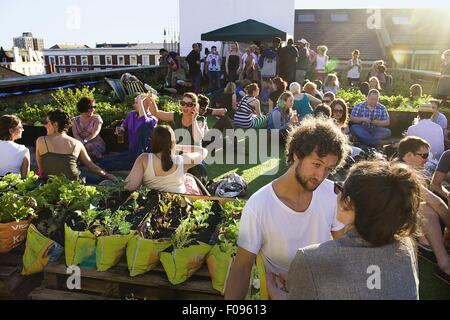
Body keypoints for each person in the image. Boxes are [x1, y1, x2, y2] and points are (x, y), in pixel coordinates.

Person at [224, 117, 348, 300]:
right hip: (276, 292)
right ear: (297, 155)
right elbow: (241, 267)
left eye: (329, 169)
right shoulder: (259, 204)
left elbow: (345, 250)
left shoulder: (332, 194)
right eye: (316, 164)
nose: (321, 176)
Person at [288, 160, 421, 300]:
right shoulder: (405, 246)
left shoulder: (310, 259)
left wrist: (277, 292)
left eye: (340, 188)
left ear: (347, 202)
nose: (337, 194)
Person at [399, 137, 450, 282]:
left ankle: (427, 245)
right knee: (425, 209)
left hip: (396, 222)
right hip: (392, 224)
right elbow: (437, 203)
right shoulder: (403, 173)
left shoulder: (398, 167)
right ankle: (444, 263)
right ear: (409, 156)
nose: (427, 160)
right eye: (424, 155)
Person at [36, 110, 116, 183]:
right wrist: (108, 175)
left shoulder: (41, 141)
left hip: (50, 182)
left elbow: (41, 170)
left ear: (55, 124)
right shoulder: (77, 144)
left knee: (85, 174)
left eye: (47, 122)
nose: (45, 125)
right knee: (94, 177)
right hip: (73, 183)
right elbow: (91, 166)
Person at [125, 125, 208, 195]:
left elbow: (129, 187)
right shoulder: (182, 160)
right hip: (179, 204)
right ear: (172, 142)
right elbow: (203, 151)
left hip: (152, 204)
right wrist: (177, 146)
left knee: (189, 178)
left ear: (153, 141)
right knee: (190, 178)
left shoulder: (144, 159)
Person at [97, 94, 158, 171]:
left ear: (144, 105)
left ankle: (138, 165)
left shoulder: (153, 119)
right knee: (105, 161)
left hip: (143, 154)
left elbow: (144, 121)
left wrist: (140, 102)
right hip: (132, 152)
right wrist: (121, 128)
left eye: (136, 103)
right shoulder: (131, 115)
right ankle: (135, 165)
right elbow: (124, 124)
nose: (133, 105)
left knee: (144, 128)